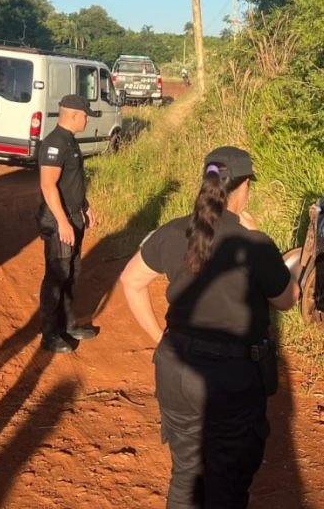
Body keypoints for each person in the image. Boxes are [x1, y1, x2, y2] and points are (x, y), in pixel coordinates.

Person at [119, 146, 299, 509]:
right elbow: (287, 299)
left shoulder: (173, 230)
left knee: (185, 475)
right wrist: (275, 250)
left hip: (175, 370)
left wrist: (161, 339)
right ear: (243, 187)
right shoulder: (254, 243)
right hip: (229, 380)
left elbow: (130, 281)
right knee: (227, 486)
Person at [37, 94, 99, 353]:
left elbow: (71, 184)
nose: (87, 119)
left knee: (72, 273)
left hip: (73, 218)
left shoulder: (70, 141)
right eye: (85, 114)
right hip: (58, 221)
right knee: (57, 276)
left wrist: (85, 207)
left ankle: (69, 324)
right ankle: (49, 334)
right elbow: (48, 185)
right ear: (73, 115)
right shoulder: (54, 143)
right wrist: (62, 222)